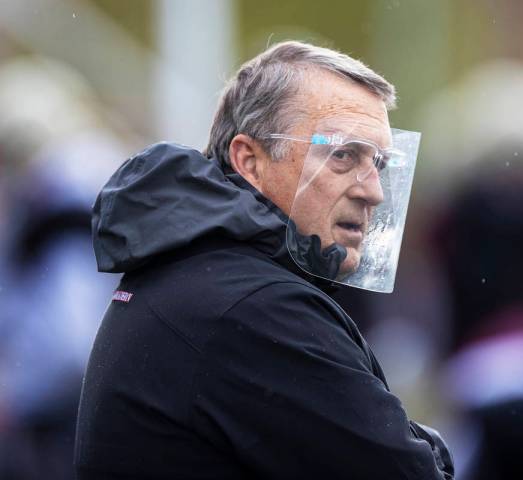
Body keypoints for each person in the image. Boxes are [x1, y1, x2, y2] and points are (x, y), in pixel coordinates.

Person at [74, 41, 453, 479]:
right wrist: (431, 448)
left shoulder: (200, 271)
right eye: (343, 155)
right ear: (249, 161)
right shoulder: (256, 308)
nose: (374, 191)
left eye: (380, 162)